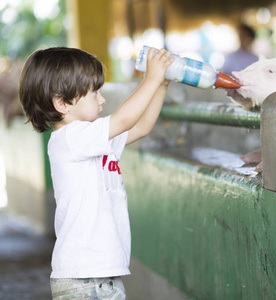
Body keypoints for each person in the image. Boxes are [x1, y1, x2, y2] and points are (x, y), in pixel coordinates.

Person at [19, 47, 174, 299]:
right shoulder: (71, 138)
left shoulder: (91, 139)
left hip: (97, 278)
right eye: (94, 93)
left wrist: (161, 86)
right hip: (86, 280)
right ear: (62, 103)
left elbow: (142, 126)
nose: (101, 100)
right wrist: (151, 79)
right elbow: (123, 120)